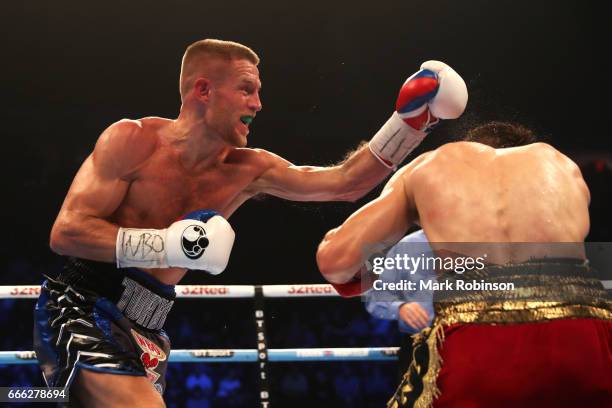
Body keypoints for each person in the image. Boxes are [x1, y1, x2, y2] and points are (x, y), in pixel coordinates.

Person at [33, 38, 468, 407]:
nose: (258, 104)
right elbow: (67, 232)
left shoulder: (249, 168)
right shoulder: (133, 140)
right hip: (83, 305)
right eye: (246, 90)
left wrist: (410, 123)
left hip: (148, 323)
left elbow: (345, 183)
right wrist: (165, 245)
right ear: (203, 90)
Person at [317, 121, 612, 407]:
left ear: (468, 146)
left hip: (479, 341)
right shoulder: (560, 165)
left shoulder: (432, 165)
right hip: (585, 337)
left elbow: (336, 262)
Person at [365, 229, 434, 381]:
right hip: (419, 344)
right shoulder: (408, 246)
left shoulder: (480, 239)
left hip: (470, 340)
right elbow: (374, 296)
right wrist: (399, 307)